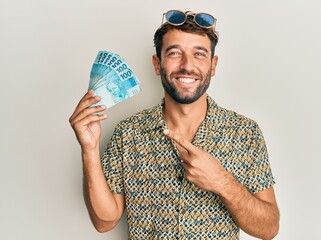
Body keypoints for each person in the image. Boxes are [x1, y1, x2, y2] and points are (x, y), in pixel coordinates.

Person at [69, 10, 280, 240]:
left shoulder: (245, 134)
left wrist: (221, 181)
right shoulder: (127, 134)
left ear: (213, 65)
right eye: (174, 53)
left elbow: (269, 228)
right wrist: (89, 149)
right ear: (157, 64)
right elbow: (104, 221)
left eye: (199, 54)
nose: (187, 65)